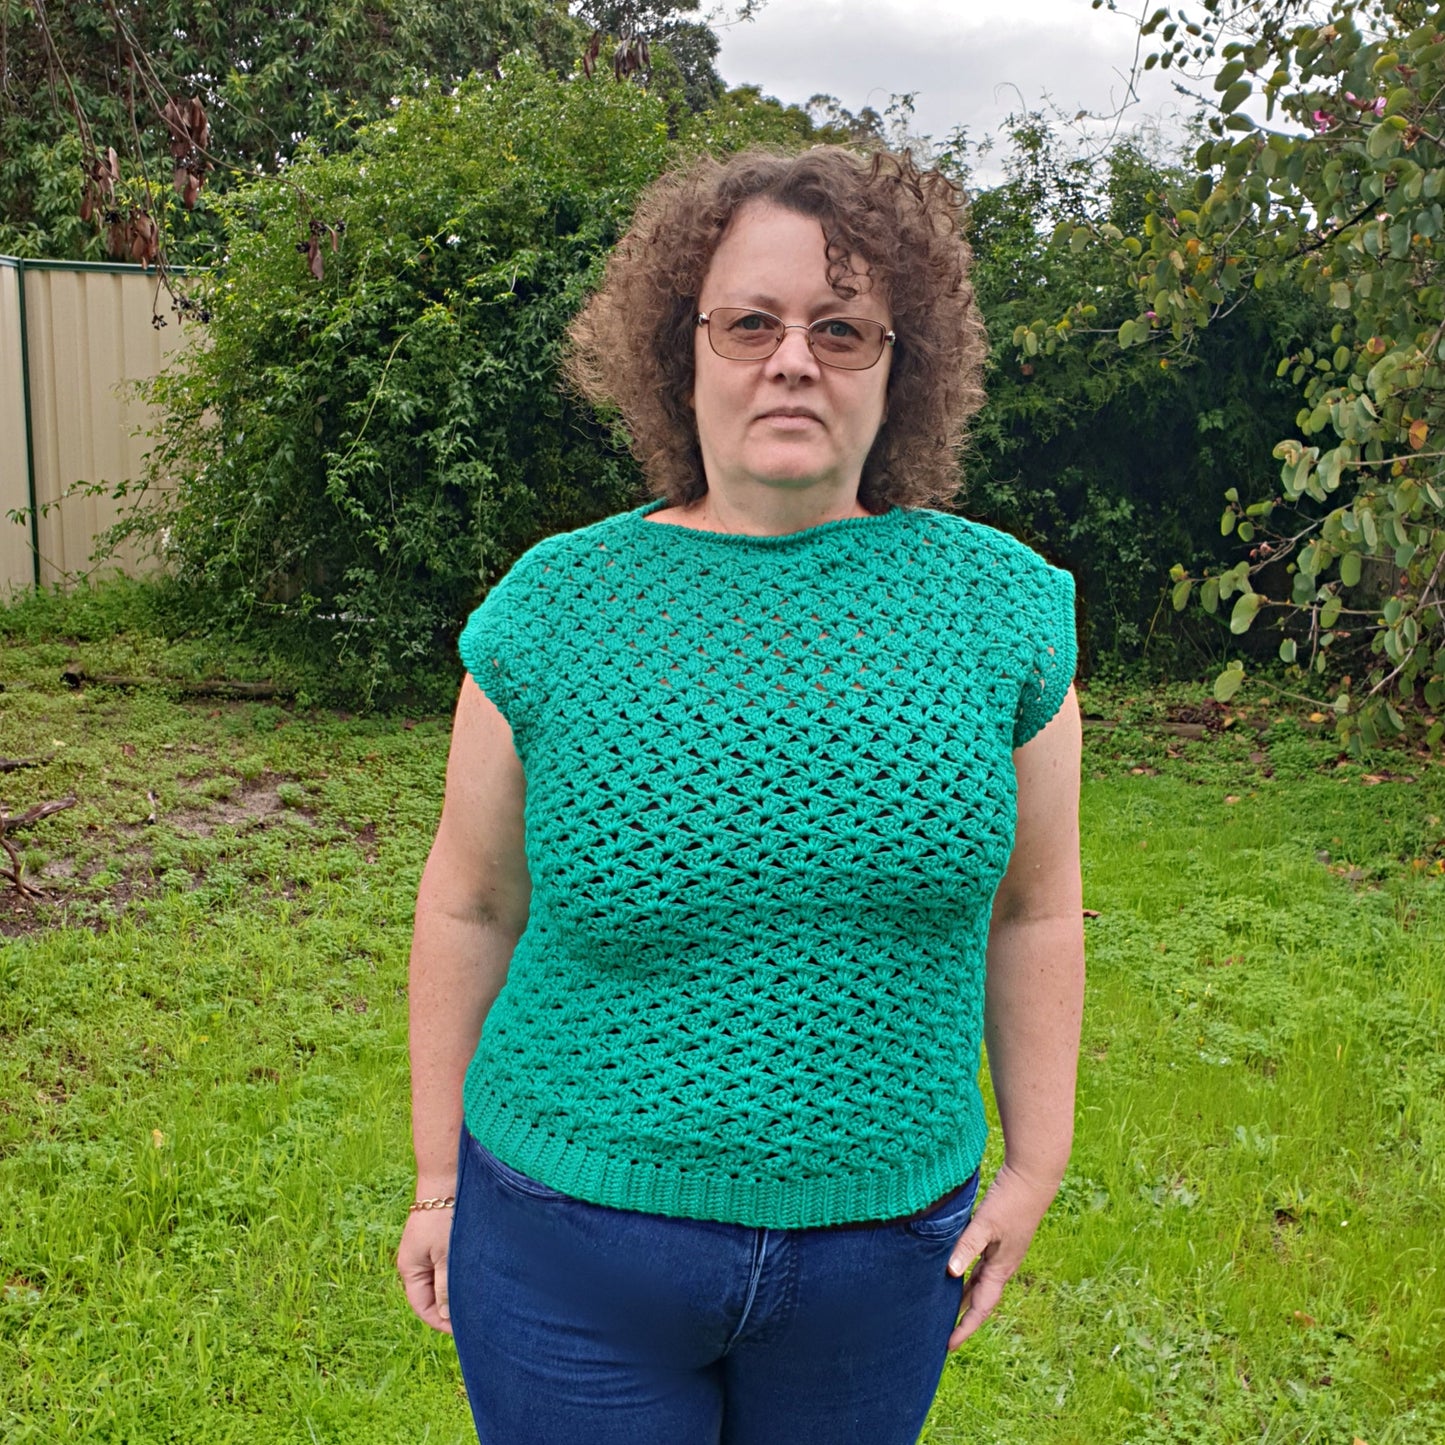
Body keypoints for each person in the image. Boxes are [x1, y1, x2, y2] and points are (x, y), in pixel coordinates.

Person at [396, 144, 1084, 1445]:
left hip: (881, 1266)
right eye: (749, 322)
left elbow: (1036, 911)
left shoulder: (1004, 610)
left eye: (840, 329)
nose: (791, 360)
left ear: (903, 361)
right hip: (563, 1250)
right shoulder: (552, 607)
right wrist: (437, 1178)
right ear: (683, 345)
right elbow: (471, 899)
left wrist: (1037, 1161)